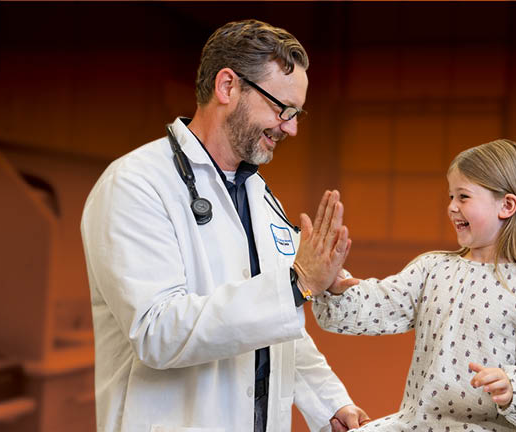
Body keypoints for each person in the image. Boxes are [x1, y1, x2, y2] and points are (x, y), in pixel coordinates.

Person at [81, 19, 368, 432]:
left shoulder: (260, 197)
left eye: (297, 113)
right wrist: (295, 284)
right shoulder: (136, 185)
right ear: (228, 87)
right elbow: (157, 331)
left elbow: (274, 325)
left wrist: (330, 403)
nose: (291, 127)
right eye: (281, 109)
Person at [313, 139, 516, 431]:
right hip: (416, 423)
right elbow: (382, 303)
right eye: (451, 196)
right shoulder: (432, 268)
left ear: (507, 205)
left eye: (463, 197)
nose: (451, 207)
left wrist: (513, 386)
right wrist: (336, 286)